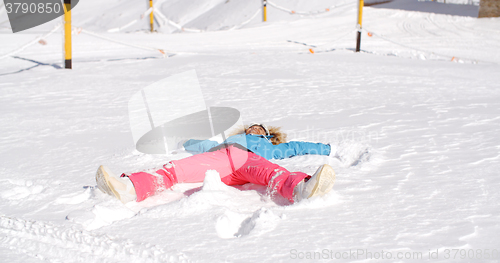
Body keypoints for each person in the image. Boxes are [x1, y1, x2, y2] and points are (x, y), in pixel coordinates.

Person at [96, 123, 338, 204]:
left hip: (250, 163)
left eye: (260, 128)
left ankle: (300, 190)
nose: (254, 128)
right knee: (175, 169)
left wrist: (327, 149)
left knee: (275, 173)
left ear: (265, 135)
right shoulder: (228, 140)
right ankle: (131, 189)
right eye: (252, 126)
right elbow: (201, 146)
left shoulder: (270, 147)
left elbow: (296, 147)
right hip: (221, 161)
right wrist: (181, 141)